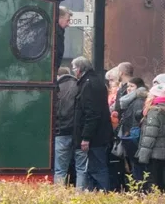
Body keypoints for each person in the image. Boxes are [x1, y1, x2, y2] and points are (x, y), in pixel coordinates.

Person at [72, 56, 113, 192]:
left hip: (95, 137)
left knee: (97, 169)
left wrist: (86, 137)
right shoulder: (94, 82)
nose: (73, 71)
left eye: (74, 68)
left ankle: (102, 194)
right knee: (94, 169)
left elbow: (91, 113)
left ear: (79, 69)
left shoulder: (88, 84)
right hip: (99, 135)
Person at [137, 75, 165, 192]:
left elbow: (150, 136)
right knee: (163, 180)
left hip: (154, 152)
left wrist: (142, 156)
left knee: (152, 181)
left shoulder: (154, 112)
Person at [113, 76, 148, 187]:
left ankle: (138, 189)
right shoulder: (131, 100)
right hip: (129, 137)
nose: (129, 89)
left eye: (132, 86)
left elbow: (135, 121)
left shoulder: (138, 101)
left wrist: (130, 133)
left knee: (136, 167)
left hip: (133, 138)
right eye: (128, 86)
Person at [53, 65, 78, 187]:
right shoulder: (78, 86)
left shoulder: (57, 88)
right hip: (77, 132)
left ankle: (59, 194)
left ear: (57, 76)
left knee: (60, 169)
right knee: (80, 168)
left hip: (61, 131)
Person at [53, 6, 72, 71]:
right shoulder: (55, 33)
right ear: (59, 18)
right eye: (67, 20)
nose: (68, 24)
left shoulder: (58, 32)